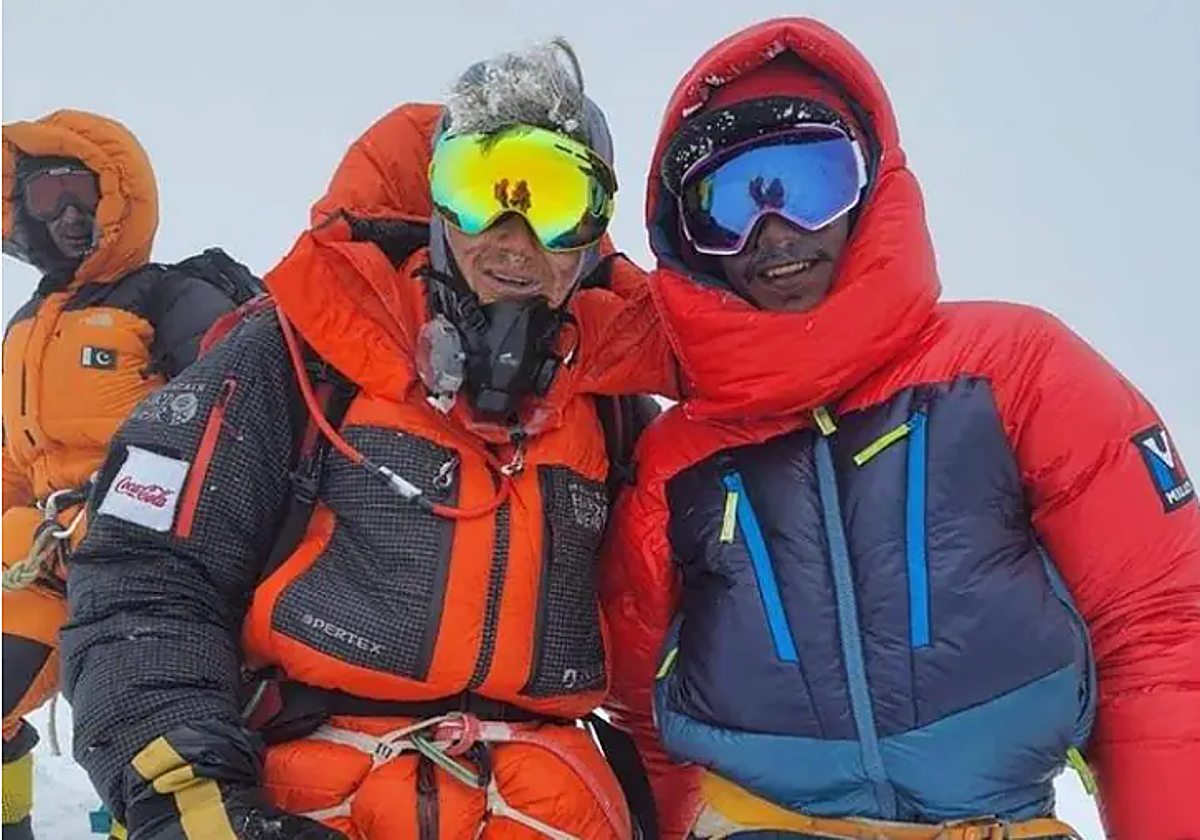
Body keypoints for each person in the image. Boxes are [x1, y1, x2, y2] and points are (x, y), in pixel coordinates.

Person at [601, 16, 1199, 840]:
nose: (774, 232)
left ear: (869, 186)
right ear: (686, 240)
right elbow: (643, 714)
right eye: (727, 205)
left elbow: (1159, 632)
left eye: (809, 182)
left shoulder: (1016, 370)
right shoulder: (678, 464)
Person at [61, 40, 677, 840]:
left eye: (556, 198)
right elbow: (143, 585)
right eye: (479, 188)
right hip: (305, 802)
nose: (513, 237)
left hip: (551, 809)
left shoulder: (617, 410)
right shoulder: (302, 359)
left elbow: (668, 651)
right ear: (434, 198)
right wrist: (200, 809)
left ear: (595, 230)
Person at [2, 110, 251, 840]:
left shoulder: (173, 298)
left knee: (146, 734)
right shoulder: (25, 325)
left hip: (146, 565)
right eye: (46, 200)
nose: (68, 216)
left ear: (121, 194)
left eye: (82, 192)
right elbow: (17, 460)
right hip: (41, 558)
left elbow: (239, 426)